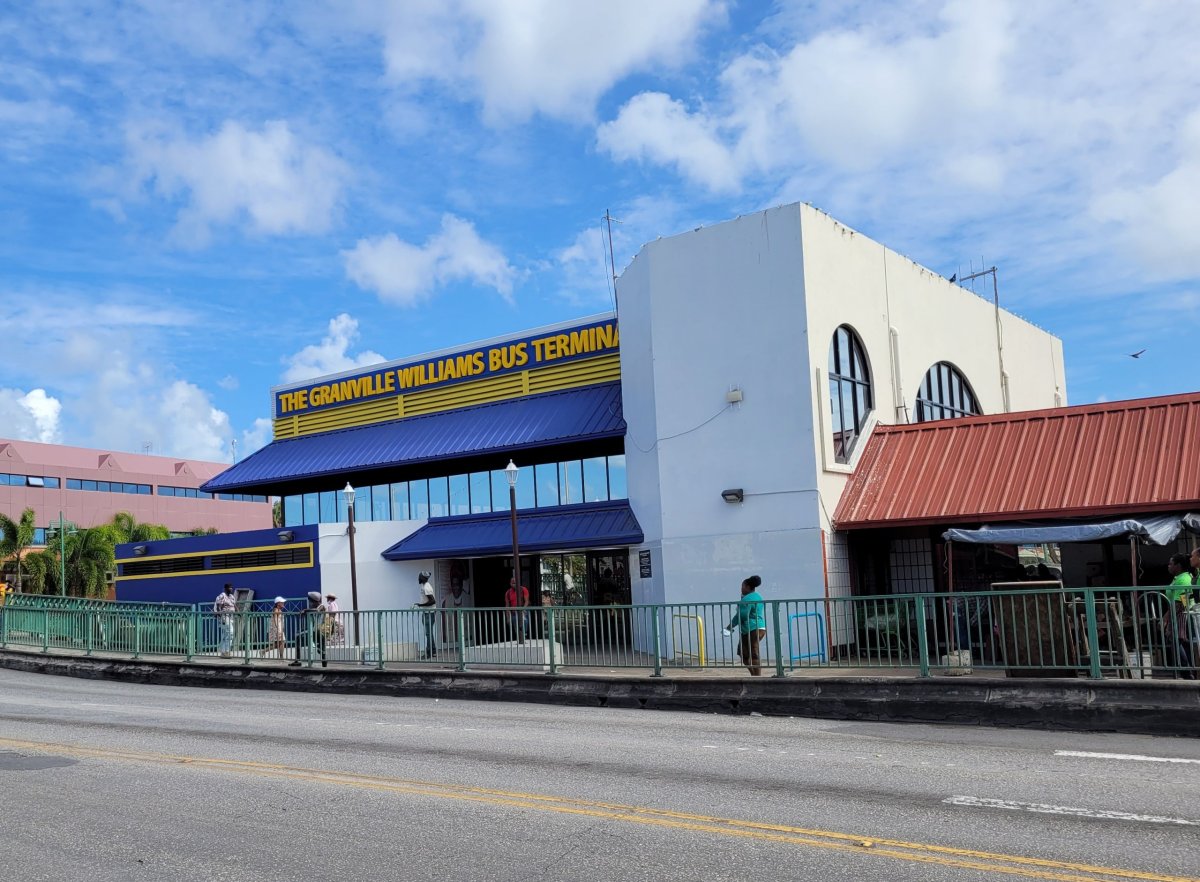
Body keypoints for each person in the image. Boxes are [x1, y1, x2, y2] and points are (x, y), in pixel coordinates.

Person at [1163, 554, 1196, 679]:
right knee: (1180, 642)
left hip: (1182, 614)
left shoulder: (1184, 579)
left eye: (1171, 564)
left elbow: (1180, 602)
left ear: (1178, 566)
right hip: (1178, 614)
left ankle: (1187, 672)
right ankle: (1187, 672)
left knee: (1177, 641)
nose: (1168, 566)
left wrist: (1165, 618)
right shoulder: (1179, 578)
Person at [727, 575, 766, 676]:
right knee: (743, 652)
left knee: (753, 652)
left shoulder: (747, 599)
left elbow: (742, 615)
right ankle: (754, 675)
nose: (741, 589)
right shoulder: (757, 596)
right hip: (759, 627)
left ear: (748, 587)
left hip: (752, 628)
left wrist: (730, 626)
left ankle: (757, 677)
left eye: (742, 586)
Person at [289, 591, 328, 667]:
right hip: (317, 630)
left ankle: (298, 660)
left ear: (314, 601)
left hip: (317, 630)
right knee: (321, 645)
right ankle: (324, 661)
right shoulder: (317, 607)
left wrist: (305, 610)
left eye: (311, 601)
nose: (310, 603)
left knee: (297, 635)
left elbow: (316, 611)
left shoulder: (321, 606)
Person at [415, 572, 437, 658]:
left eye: (420, 577)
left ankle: (429, 652)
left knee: (428, 633)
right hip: (427, 612)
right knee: (429, 633)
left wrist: (420, 605)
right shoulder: (424, 586)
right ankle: (433, 651)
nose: (418, 579)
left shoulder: (427, 587)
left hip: (429, 613)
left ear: (424, 578)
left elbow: (432, 601)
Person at [213, 583, 236, 658]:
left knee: (226, 634)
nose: (231, 589)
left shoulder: (232, 596)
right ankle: (226, 651)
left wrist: (239, 612)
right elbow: (218, 606)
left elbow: (234, 605)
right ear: (225, 588)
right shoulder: (222, 596)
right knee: (230, 632)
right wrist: (221, 617)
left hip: (231, 616)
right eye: (229, 587)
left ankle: (223, 652)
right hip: (224, 616)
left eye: (231, 587)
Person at [504, 577, 530, 644]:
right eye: (512, 583)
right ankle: (519, 638)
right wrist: (507, 617)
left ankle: (524, 636)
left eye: (515, 583)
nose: (514, 584)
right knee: (515, 625)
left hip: (523, 610)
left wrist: (523, 609)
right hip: (513, 612)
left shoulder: (523, 589)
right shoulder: (508, 592)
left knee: (525, 622)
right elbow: (507, 605)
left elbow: (526, 601)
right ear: (510, 583)